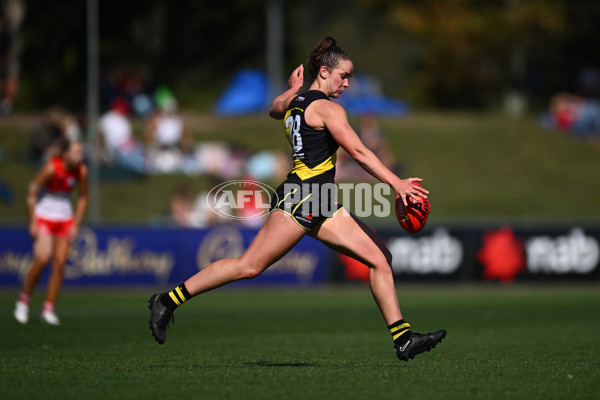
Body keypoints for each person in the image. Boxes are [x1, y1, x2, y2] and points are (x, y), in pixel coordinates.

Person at [147, 36, 446, 362]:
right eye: (342, 75)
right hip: (303, 198)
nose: (347, 83)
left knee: (379, 258)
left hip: (321, 200)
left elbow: (275, 108)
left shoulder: (295, 102)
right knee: (249, 266)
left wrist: (293, 88)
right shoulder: (328, 109)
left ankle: (402, 339)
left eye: (349, 77)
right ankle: (168, 300)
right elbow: (359, 152)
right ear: (323, 71)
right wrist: (396, 182)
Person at [14, 138, 88, 325]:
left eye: (81, 152)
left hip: (65, 218)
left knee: (60, 263)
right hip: (44, 216)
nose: (80, 155)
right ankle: (23, 301)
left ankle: (48, 308)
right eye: (76, 152)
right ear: (65, 153)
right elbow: (32, 191)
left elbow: (83, 197)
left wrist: (76, 223)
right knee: (42, 259)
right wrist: (32, 221)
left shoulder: (81, 171)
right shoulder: (51, 168)